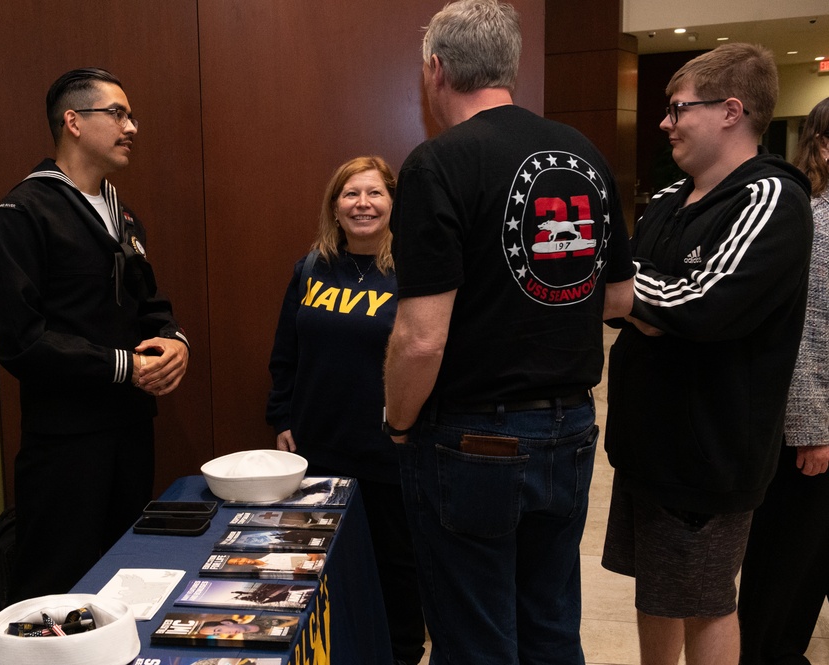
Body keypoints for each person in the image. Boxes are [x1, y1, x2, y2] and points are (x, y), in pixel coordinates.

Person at [382, 1, 635, 661]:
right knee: (550, 626)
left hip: (473, 440)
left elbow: (419, 338)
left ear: (436, 70)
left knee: (475, 639)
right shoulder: (583, 154)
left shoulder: (437, 164)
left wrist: (399, 420)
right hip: (572, 429)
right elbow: (617, 296)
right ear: (510, 68)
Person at [600, 44, 813, 665]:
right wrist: (648, 306)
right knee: (658, 592)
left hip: (710, 454)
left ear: (730, 111)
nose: (665, 122)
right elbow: (641, 288)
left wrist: (639, 303)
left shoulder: (771, 198)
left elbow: (702, 305)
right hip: (650, 445)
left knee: (706, 602)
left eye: (677, 109)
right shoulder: (673, 196)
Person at [0, 67, 189, 601]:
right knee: (60, 588)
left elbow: (151, 306)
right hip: (66, 441)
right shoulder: (20, 214)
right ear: (73, 122)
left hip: (130, 428)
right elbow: (21, 340)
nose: (131, 127)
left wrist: (173, 341)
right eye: (117, 113)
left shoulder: (123, 216)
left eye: (131, 115)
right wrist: (127, 366)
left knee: (125, 579)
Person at [266, 156, 425, 665]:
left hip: (388, 453)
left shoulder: (414, 272)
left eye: (375, 193)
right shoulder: (311, 268)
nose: (363, 204)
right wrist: (283, 417)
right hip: (318, 448)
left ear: (393, 205)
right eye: (351, 194)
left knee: (396, 566)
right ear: (335, 207)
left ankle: (400, 652)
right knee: (322, 565)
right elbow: (286, 353)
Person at [738, 96, 829, 664]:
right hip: (810, 434)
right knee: (787, 563)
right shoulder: (815, 221)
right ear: (822, 145)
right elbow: (806, 333)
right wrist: (812, 428)